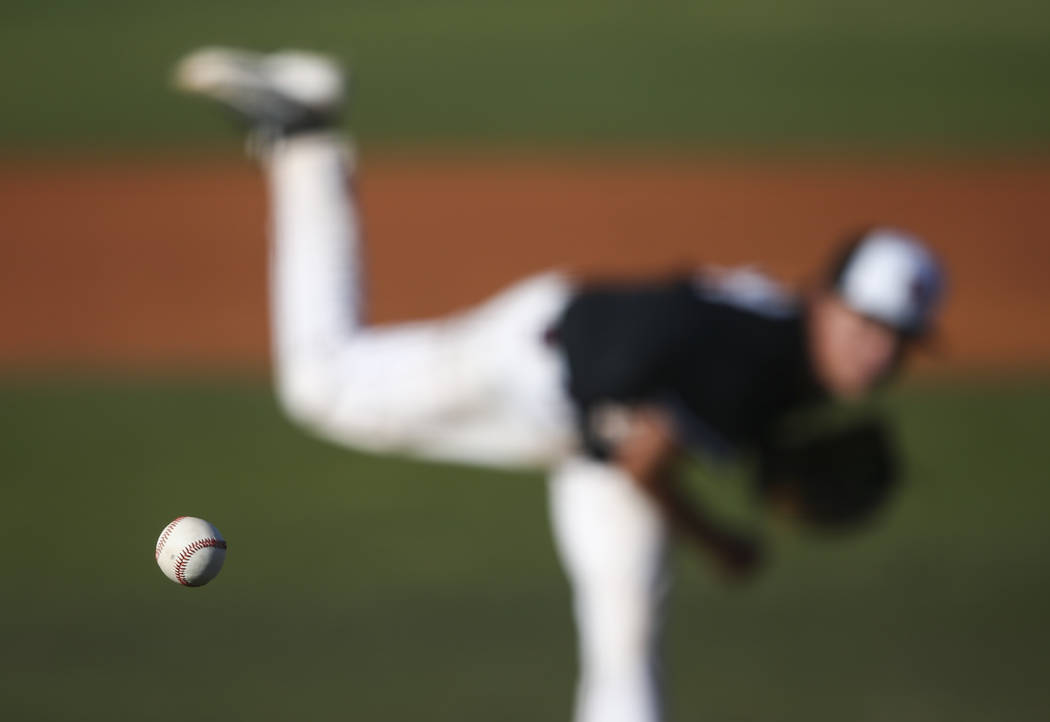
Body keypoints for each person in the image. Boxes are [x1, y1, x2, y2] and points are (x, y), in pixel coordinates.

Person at [174, 47, 945, 722]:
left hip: (599, 425)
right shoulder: (762, 356)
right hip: (532, 370)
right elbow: (648, 457)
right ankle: (308, 136)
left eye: (897, 342)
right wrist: (719, 542)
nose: (877, 355)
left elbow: (653, 430)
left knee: (626, 632)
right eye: (866, 327)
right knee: (322, 385)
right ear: (827, 298)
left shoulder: (786, 336)